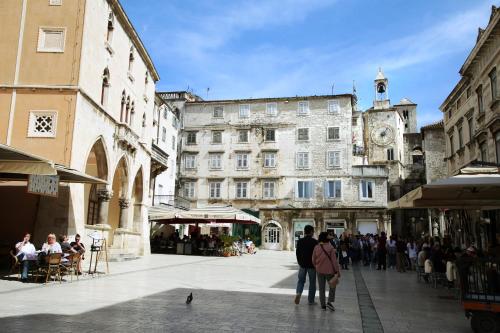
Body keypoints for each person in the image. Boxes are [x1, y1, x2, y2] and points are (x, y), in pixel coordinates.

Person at [312, 232, 340, 311]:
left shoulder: (316, 247)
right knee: (333, 285)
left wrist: (316, 266)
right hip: (329, 271)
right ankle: (329, 302)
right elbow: (334, 261)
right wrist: (337, 271)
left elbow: (313, 260)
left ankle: (323, 305)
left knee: (321, 288)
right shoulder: (330, 248)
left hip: (319, 271)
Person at [295, 225, 318, 305]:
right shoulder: (315, 242)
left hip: (302, 265)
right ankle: (311, 300)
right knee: (312, 283)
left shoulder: (300, 241)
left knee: (301, 281)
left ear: (304, 231)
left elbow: (297, 253)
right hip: (311, 266)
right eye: (313, 231)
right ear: (311, 232)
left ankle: (298, 293)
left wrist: (299, 262)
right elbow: (316, 255)